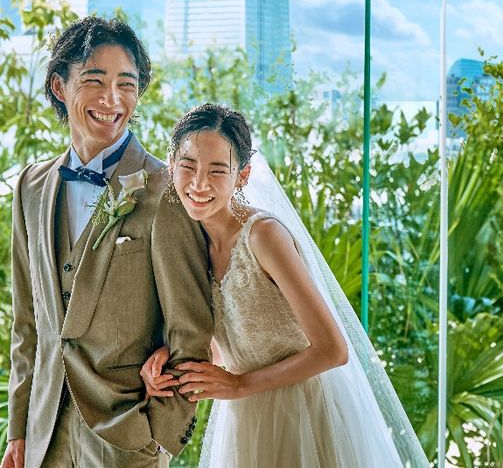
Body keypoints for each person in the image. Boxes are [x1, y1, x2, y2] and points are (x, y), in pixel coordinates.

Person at [141, 103, 429, 468]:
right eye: (188, 166)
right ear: (171, 165)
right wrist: (171, 361)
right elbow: (238, 338)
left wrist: (239, 385)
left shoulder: (263, 236)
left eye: (217, 170)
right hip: (246, 418)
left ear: (242, 176)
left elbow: (333, 350)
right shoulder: (192, 241)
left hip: (302, 413)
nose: (199, 183)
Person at [2, 17, 214, 468]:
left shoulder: (165, 191)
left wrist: (158, 436)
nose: (112, 99)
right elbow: (28, 324)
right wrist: (18, 431)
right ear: (59, 86)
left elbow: (190, 329)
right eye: (94, 81)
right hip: (42, 437)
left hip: (127, 439)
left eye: (126, 84)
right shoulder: (30, 187)